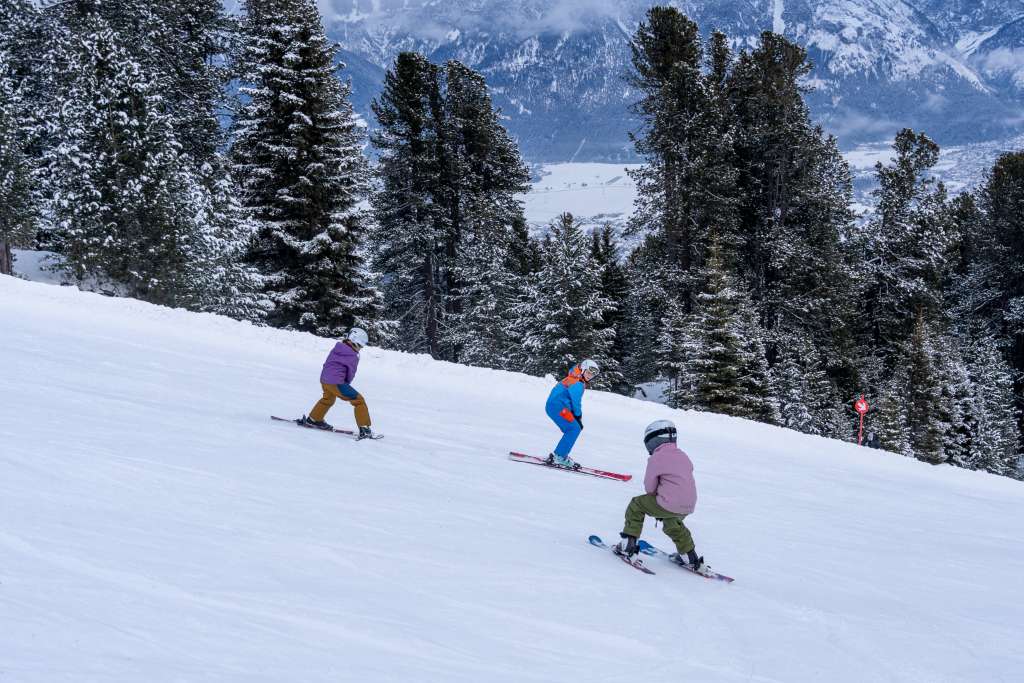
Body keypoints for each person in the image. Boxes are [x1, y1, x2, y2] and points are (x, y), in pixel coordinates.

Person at [614, 419, 713, 576]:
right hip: (688, 505)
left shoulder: (657, 458)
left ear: (653, 440)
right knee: (672, 522)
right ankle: (689, 557)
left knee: (636, 504)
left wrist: (661, 496)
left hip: (667, 503)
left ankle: (628, 546)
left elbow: (650, 488)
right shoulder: (683, 456)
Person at [300, 327, 375, 439]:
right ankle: (364, 429)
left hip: (325, 380)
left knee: (328, 399)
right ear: (354, 341)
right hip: (336, 382)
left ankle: (314, 419)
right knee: (359, 400)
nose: (360, 349)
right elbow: (351, 373)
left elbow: (328, 363)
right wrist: (345, 385)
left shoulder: (338, 348)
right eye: (360, 346)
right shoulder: (352, 355)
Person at [544, 359, 599, 469]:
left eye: (592, 375)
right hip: (557, 407)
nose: (590, 376)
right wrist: (578, 416)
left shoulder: (575, 377)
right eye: (588, 372)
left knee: (573, 428)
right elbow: (576, 401)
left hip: (556, 406)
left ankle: (560, 454)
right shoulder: (578, 382)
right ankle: (559, 456)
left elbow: (567, 398)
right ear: (582, 370)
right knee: (574, 429)